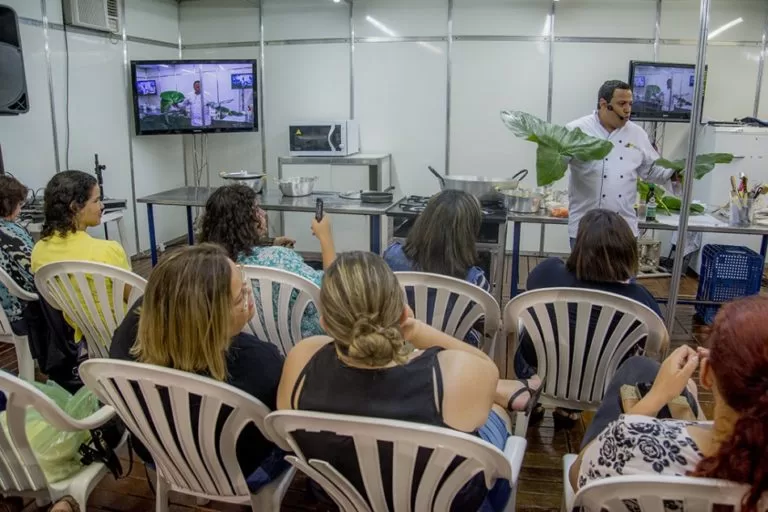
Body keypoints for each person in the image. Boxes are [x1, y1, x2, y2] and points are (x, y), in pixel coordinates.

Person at [277, 252, 541, 511]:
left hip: (344, 495)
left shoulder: (302, 359)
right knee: (496, 411)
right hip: (449, 501)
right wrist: (416, 330)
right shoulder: (449, 373)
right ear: (402, 313)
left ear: (325, 323)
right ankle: (505, 394)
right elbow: (487, 369)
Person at [110, 244, 287, 488]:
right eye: (239, 298)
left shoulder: (134, 330)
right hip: (234, 470)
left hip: (156, 455)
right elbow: (279, 431)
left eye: (241, 276)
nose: (248, 293)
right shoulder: (261, 364)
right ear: (212, 322)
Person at [570, 296, 768, 512]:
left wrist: (657, 396)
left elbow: (577, 476)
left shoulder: (629, 441)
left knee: (638, 366)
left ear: (706, 374)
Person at [515, 209, 662, 428]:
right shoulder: (640, 299)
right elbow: (659, 342)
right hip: (604, 381)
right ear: (627, 251)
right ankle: (569, 409)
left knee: (530, 330)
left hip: (541, 367)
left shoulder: (547, 272)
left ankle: (533, 397)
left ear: (579, 246)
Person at [199, 184, 335, 337]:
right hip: (306, 341)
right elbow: (333, 291)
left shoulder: (211, 267)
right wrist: (325, 237)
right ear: (244, 221)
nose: (263, 213)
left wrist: (267, 244)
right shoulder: (279, 258)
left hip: (250, 340)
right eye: (256, 209)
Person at [566, 80, 678, 249]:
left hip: (624, 228)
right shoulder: (576, 130)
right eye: (622, 104)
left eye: (630, 104)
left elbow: (652, 170)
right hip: (584, 228)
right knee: (584, 276)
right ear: (604, 105)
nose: (628, 109)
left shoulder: (637, 134)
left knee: (624, 276)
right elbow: (555, 164)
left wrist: (677, 171)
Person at [30, 170, 131, 343]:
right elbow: (135, 298)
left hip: (88, 337)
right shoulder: (107, 250)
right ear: (75, 207)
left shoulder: (39, 250)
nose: (102, 206)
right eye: (96, 200)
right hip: (127, 337)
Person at [383, 189, 490, 347]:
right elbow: (487, 323)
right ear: (470, 232)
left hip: (400, 345)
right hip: (452, 354)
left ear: (424, 220)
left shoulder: (390, 256)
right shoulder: (475, 280)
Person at [0, 176, 36, 335]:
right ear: (9, 204)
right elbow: (33, 278)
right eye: (20, 204)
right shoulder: (12, 234)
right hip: (17, 314)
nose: (20, 210)